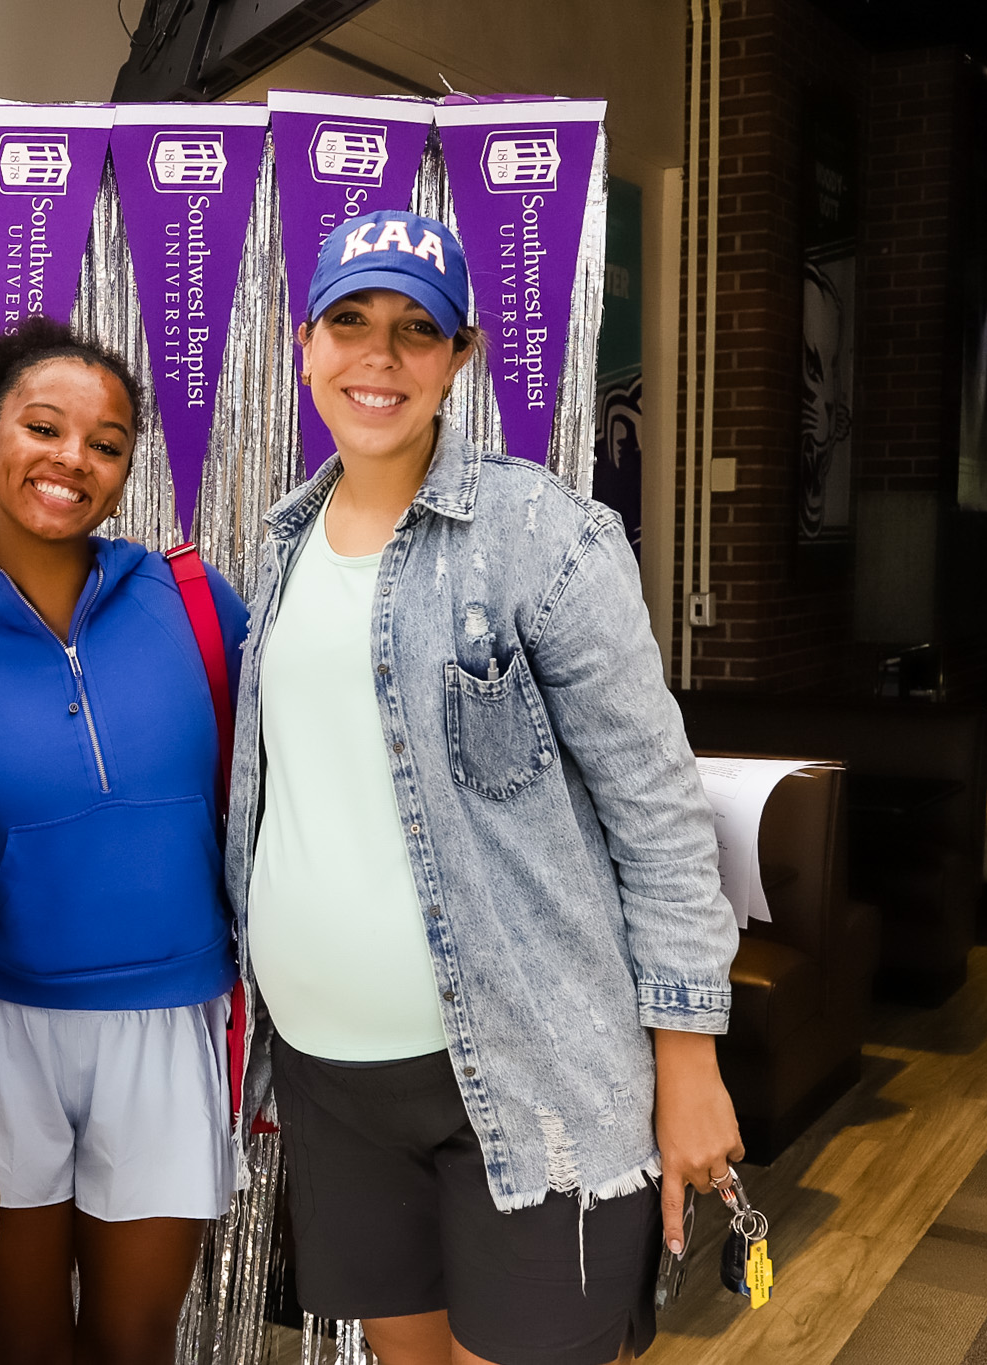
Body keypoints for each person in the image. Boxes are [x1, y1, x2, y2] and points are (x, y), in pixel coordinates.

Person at [226, 210, 743, 1365]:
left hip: (523, 1072)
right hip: (330, 1077)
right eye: (349, 322)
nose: (378, 357)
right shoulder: (283, 545)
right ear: (300, 340)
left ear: (459, 357)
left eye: (417, 330)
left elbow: (657, 810)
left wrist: (688, 1056)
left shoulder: (539, 537)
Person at [0, 317, 248, 1365]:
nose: (72, 460)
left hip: (162, 1017)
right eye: (43, 427)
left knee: (135, 1342)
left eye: (105, 442)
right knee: (18, 1344)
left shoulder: (194, 604)